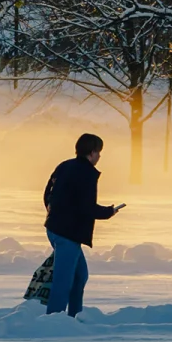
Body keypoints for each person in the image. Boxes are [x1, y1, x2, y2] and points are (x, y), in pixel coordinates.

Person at [43, 133, 124, 316]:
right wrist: (108, 212)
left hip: (55, 228)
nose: (99, 157)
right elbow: (86, 207)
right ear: (92, 152)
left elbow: (48, 193)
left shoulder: (64, 166)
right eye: (99, 152)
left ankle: (75, 316)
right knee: (64, 280)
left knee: (79, 276)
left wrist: (53, 214)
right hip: (67, 234)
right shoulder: (86, 173)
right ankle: (54, 320)